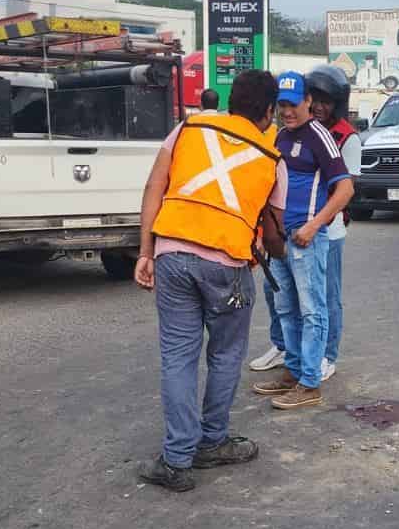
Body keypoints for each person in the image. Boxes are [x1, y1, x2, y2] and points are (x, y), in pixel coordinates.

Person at [133, 70, 287, 492]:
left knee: (179, 357)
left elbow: (153, 186)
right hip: (228, 267)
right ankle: (211, 442)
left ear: (229, 101)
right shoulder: (272, 159)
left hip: (173, 255)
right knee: (224, 354)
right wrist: (280, 250)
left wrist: (145, 251)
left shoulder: (188, 128)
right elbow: (273, 234)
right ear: (269, 111)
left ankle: (177, 459)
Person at [251, 72, 354, 411]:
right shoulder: (279, 136)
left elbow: (345, 189)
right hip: (280, 241)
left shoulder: (319, 137)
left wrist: (313, 226)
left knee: (312, 311)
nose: (287, 111)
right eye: (282, 105)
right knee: (286, 309)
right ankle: (293, 372)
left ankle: (310, 382)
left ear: (308, 101)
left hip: (306, 241)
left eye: (293, 105)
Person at [306, 65, 362, 380]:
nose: (318, 106)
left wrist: (319, 220)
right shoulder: (300, 130)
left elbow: (345, 190)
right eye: (314, 98)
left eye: (326, 101)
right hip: (299, 228)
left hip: (329, 229)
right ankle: (295, 350)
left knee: (328, 296)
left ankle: (328, 354)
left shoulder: (346, 138)